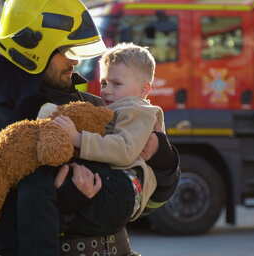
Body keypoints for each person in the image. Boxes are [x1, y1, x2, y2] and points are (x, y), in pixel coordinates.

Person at [0, 0, 179, 256]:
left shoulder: (94, 107)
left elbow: (152, 200)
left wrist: (163, 159)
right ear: (32, 52)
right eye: (65, 51)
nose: (74, 62)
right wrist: (68, 203)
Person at [52, 43, 175, 225]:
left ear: (144, 90)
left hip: (128, 189)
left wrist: (78, 138)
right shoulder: (117, 108)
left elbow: (124, 151)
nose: (106, 90)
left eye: (116, 84)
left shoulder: (137, 110)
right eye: (104, 82)